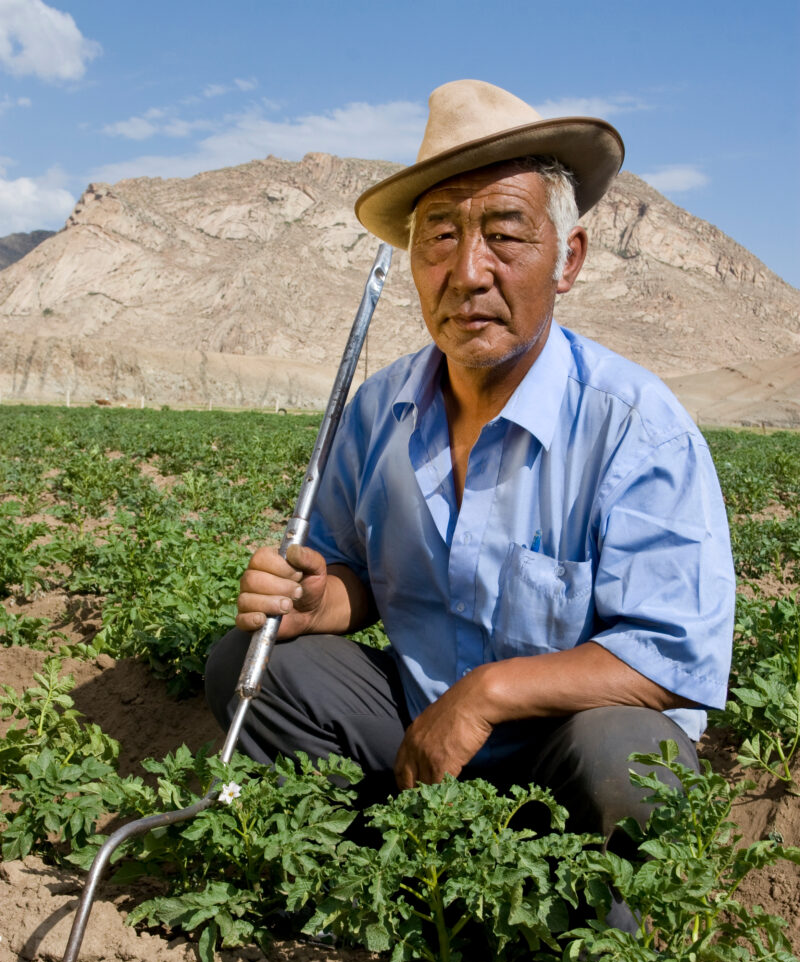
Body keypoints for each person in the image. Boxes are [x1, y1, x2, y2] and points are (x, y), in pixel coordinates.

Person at [206, 79, 736, 857]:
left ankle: (571, 938)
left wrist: (488, 695)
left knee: (629, 762)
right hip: (417, 738)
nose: (468, 272)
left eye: (505, 233)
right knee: (252, 666)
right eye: (441, 236)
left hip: (561, 753)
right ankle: (379, 876)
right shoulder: (380, 409)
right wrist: (322, 600)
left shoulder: (636, 429)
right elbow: (350, 572)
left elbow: (670, 659)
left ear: (568, 259)